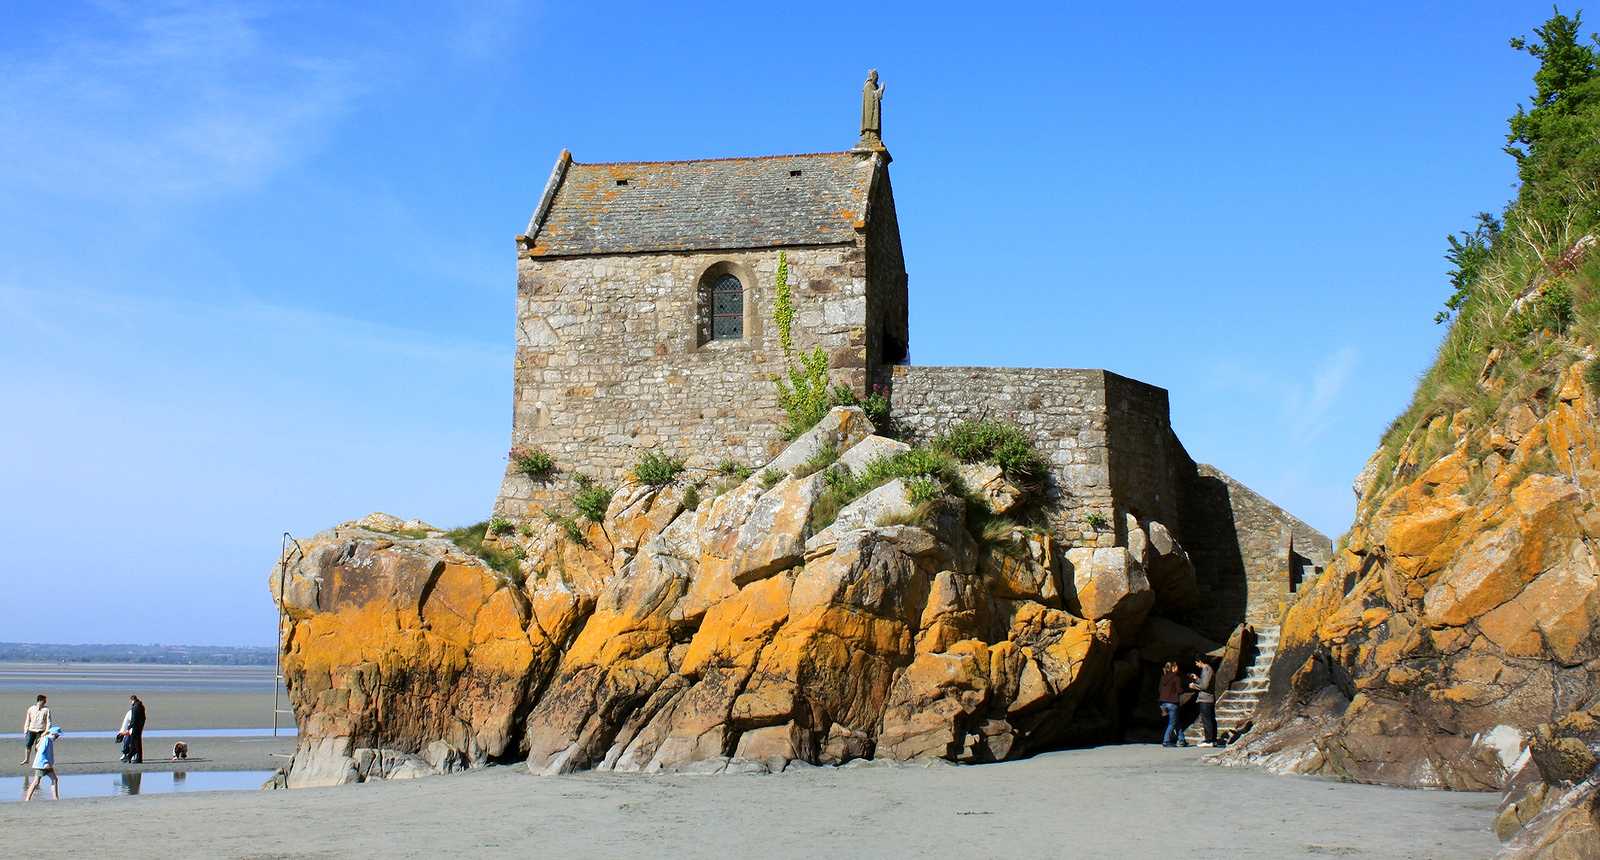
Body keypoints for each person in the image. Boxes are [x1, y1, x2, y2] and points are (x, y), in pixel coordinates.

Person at [23, 725, 61, 801]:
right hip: (42, 764)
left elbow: (39, 748)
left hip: (47, 765)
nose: (57, 737)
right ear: (53, 734)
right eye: (57, 736)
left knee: (54, 779)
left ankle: (56, 798)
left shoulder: (49, 740)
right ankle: (27, 799)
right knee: (36, 781)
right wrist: (46, 763)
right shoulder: (46, 739)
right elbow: (41, 752)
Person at [1189, 656, 1218, 747]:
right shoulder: (1208, 669)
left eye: (1196, 663)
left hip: (1206, 699)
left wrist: (1194, 686)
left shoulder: (1206, 669)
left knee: (1207, 720)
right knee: (1210, 719)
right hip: (1208, 698)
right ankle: (1213, 740)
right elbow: (1204, 683)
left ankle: (1209, 740)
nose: (1196, 665)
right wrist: (1197, 679)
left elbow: (1204, 686)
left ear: (1200, 661)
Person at [1158, 661, 1185, 747]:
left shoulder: (1162, 677)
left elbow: (1159, 689)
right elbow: (1179, 690)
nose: (1178, 668)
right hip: (1172, 703)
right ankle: (1166, 741)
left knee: (1176, 721)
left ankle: (1181, 739)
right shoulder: (1176, 678)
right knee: (1172, 723)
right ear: (1173, 668)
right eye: (1176, 667)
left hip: (1163, 703)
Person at [20, 694, 49, 765]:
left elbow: (49, 721)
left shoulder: (46, 710)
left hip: (41, 731)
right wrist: (25, 730)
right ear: (40, 700)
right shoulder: (31, 709)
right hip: (31, 730)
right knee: (28, 745)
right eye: (44, 701)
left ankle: (37, 761)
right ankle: (27, 759)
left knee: (38, 747)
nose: (45, 702)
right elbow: (27, 720)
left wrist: (46, 731)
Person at [118, 695, 147, 764]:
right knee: (136, 743)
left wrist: (129, 727)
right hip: (139, 727)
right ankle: (132, 757)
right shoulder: (141, 706)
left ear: (132, 700)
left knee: (135, 743)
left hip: (135, 728)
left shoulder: (135, 707)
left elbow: (133, 719)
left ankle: (134, 758)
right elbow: (144, 718)